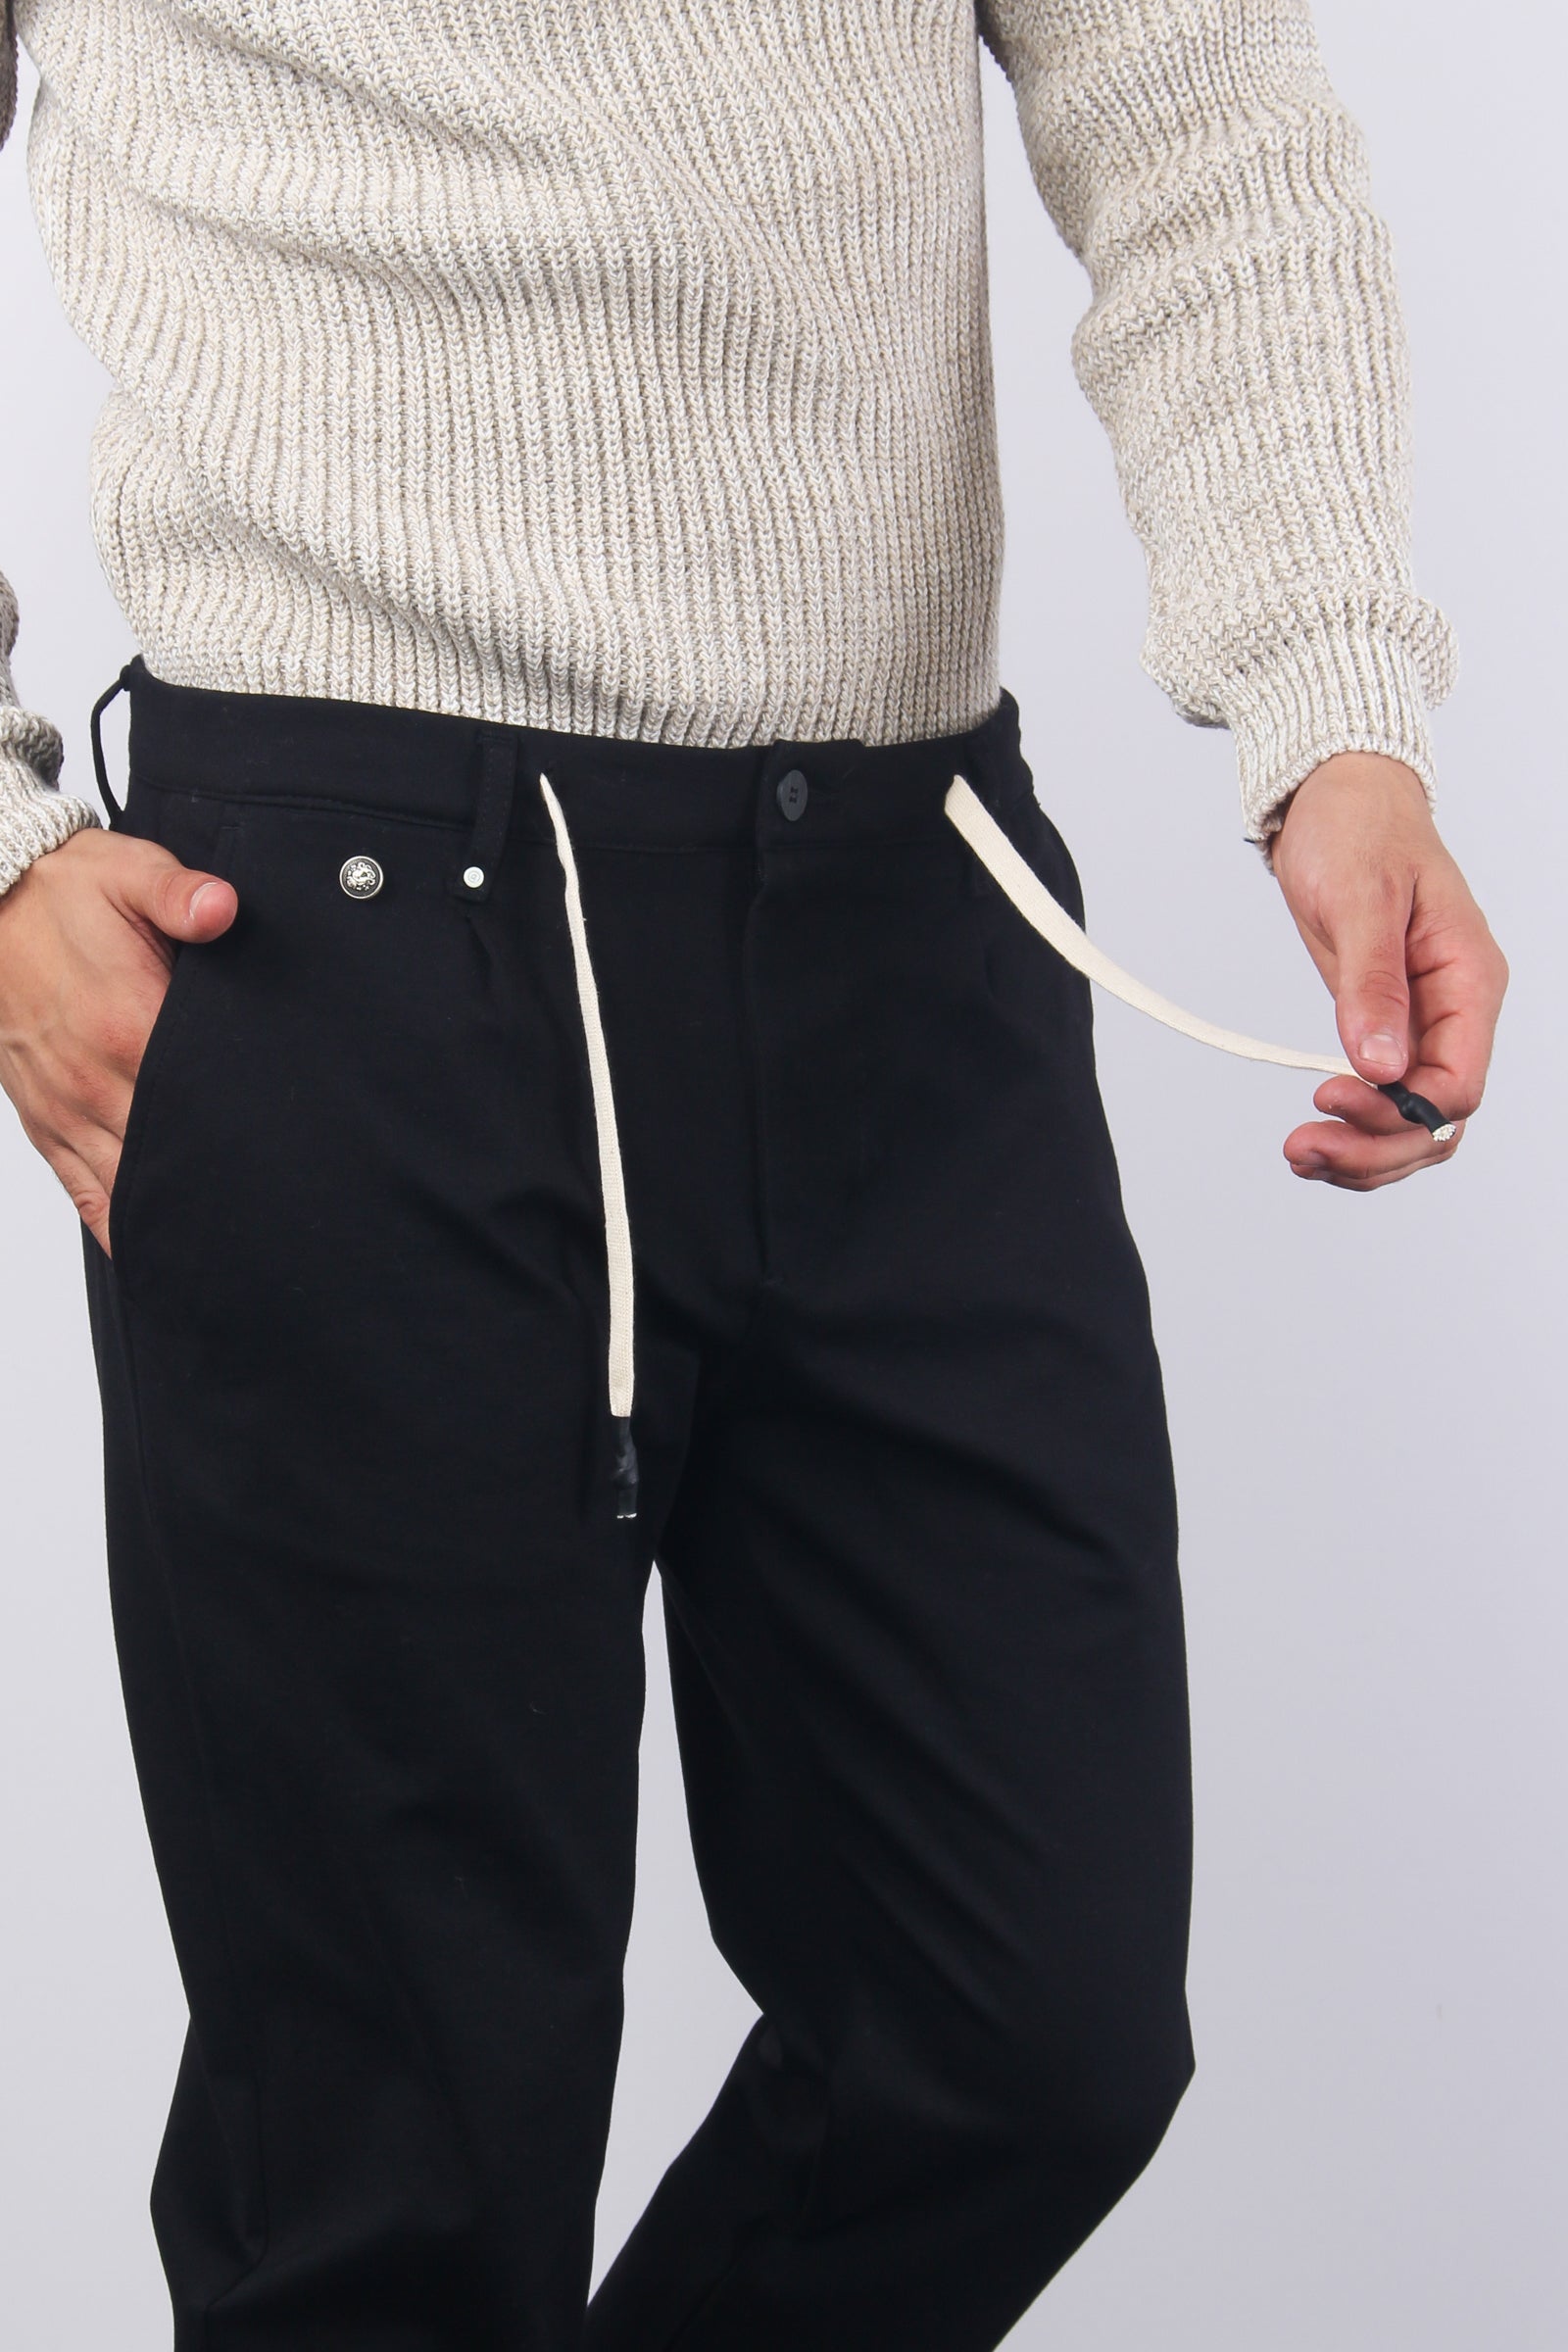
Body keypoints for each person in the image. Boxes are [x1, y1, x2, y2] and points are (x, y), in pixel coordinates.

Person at [0, 2, 1507, 2347]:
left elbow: (1191, 86)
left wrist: (1333, 715)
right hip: (343, 937)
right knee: (391, 2196)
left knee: (1020, 2040)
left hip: (907, 915)